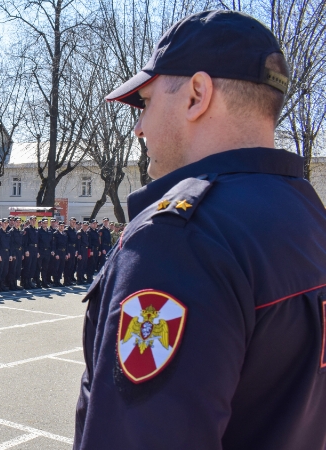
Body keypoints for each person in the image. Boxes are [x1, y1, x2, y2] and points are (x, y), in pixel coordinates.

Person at [75, 11, 326, 450]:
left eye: (147, 103)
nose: (139, 128)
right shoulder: (307, 215)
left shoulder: (180, 240)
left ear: (196, 95)